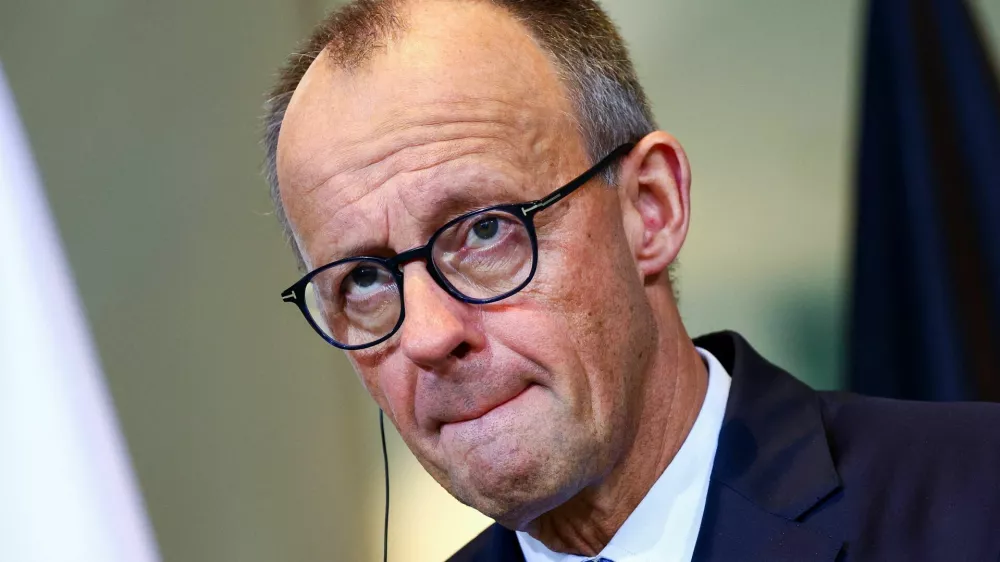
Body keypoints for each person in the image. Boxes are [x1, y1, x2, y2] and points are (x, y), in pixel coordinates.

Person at [262, 1, 1000, 560]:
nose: (426, 334)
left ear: (651, 207)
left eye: (485, 229)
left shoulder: (976, 498)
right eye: (361, 279)